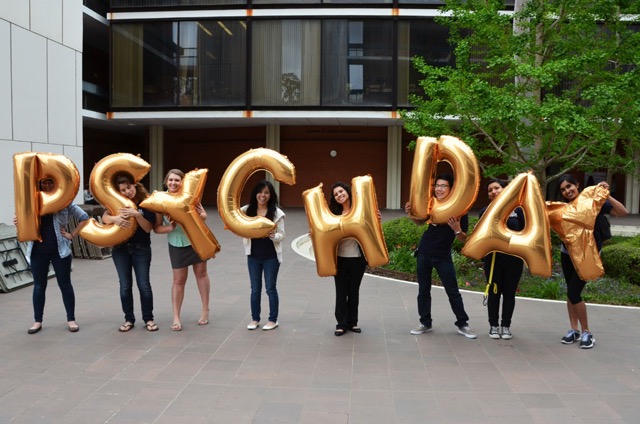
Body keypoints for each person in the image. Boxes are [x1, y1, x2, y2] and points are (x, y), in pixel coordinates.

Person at [557, 174, 627, 349]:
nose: (567, 191)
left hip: (588, 255)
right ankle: (574, 330)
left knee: (574, 293)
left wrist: (606, 194)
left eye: (569, 187)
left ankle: (587, 332)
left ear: (577, 184)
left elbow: (622, 212)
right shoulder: (564, 207)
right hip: (567, 254)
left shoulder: (592, 201)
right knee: (570, 292)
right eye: (563, 190)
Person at [405, 174, 477, 339]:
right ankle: (425, 323)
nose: (439, 189)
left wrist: (457, 228)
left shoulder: (460, 208)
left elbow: (462, 237)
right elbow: (420, 222)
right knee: (423, 289)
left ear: (451, 189)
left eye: (443, 186)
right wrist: (412, 214)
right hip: (424, 251)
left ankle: (463, 324)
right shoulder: (431, 204)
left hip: (443, 255)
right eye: (437, 185)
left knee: (452, 291)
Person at [15, 178, 89, 334]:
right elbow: (24, 224)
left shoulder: (64, 201)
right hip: (37, 251)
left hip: (60, 251)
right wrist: (18, 222)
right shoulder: (32, 202)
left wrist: (72, 234)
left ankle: (71, 319)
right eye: (44, 183)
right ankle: (37, 321)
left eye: (50, 182)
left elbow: (84, 218)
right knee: (39, 286)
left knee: (65, 285)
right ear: (39, 184)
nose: (47, 185)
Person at [101, 173, 159, 332]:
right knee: (125, 286)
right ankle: (129, 319)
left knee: (144, 285)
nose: (127, 191)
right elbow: (105, 216)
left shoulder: (146, 203)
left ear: (135, 185)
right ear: (118, 192)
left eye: (129, 187)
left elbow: (148, 228)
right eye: (123, 190)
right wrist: (115, 219)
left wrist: (137, 214)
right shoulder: (117, 203)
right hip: (120, 249)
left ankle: (149, 319)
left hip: (141, 249)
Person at [154, 169, 211, 331]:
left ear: (182, 182)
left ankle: (205, 310)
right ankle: (176, 317)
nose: (173, 183)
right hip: (176, 242)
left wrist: (204, 216)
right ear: (166, 182)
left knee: (201, 274)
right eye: (171, 180)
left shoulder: (190, 197)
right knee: (178, 280)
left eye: (177, 180)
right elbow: (157, 228)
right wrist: (170, 227)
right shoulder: (160, 201)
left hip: (195, 241)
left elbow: (201, 216)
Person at [479, 179, 525, 340]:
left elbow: (525, 233)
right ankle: (493, 325)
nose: (493, 191)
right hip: (493, 260)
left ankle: (506, 326)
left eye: (496, 188)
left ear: (504, 189)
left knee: (509, 293)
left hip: (514, 259)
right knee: (494, 292)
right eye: (490, 190)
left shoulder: (518, 211)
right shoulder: (485, 211)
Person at [242, 180, 285, 331]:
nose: (263, 195)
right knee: (255, 288)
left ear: (271, 195)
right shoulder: (247, 210)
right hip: (253, 256)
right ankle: (255, 319)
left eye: (266, 192)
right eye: (260, 192)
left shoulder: (276, 213)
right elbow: (233, 220)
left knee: (270, 288)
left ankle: (273, 320)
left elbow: (282, 235)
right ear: (255, 194)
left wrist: (274, 235)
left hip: (271, 257)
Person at [330, 182, 369, 336]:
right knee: (341, 291)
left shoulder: (359, 210)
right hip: (339, 258)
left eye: (341, 191)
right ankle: (341, 323)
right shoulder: (333, 214)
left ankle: (353, 322)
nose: (339, 195)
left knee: (354, 291)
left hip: (357, 259)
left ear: (347, 191)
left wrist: (376, 218)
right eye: (336, 194)